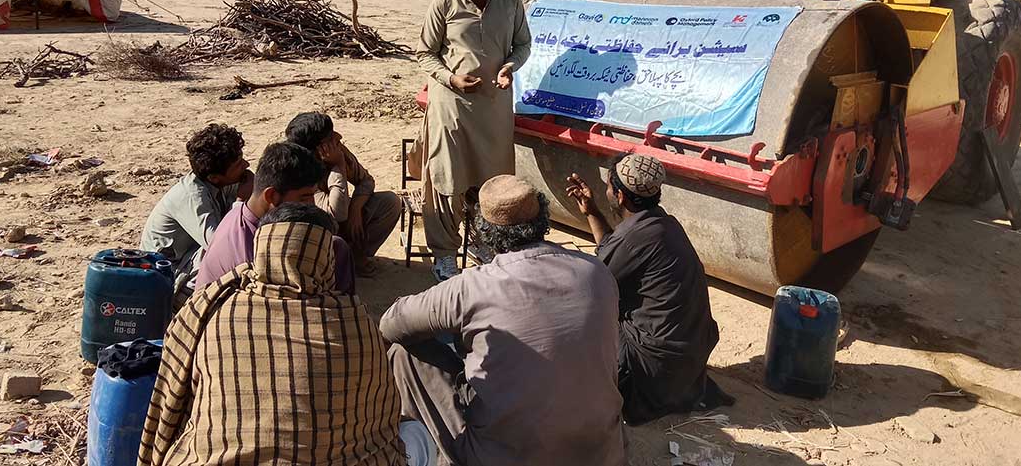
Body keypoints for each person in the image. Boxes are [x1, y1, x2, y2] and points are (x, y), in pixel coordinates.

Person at [139, 202, 435, 466]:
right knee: (416, 435)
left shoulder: (216, 310)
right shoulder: (354, 322)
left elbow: (176, 401)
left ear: (265, 249)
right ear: (325, 256)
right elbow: (379, 420)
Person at [381, 175, 625, 466]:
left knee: (404, 352)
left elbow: (390, 324)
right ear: (543, 218)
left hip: (509, 457)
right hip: (602, 453)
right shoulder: (595, 271)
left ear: (485, 231)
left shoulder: (472, 286)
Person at [566, 153, 732, 425]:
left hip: (656, 365)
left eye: (608, 186)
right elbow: (612, 254)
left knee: (580, 315)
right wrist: (592, 212)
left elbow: (594, 283)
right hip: (686, 360)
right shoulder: (663, 224)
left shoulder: (635, 238)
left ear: (619, 196)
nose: (606, 191)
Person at [416, 0, 532, 281]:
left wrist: (510, 67)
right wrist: (451, 79)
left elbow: (523, 44)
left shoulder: (510, 0)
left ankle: (483, 243)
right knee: (446, 179)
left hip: (494, 110)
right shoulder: (444, 3)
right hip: (451, 108)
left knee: (492, 182)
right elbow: (424, 52)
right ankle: (445, 254)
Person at [195, 141, 356, 294]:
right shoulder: (250, 255)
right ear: (271, 196)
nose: (311, 205)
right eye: (304, 197)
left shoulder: (246, 215)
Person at [139, 123, 254, 301]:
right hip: (166, 277)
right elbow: (220, 247)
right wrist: (240, 202)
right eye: (239, 164)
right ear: (214, 177)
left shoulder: (220, 182)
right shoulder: (193, 197)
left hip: (185, 261)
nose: (246, 165)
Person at [285, 112, 401, 276]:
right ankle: (334, 264)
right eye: (330, 138)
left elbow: (366, 181)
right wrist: (338, 165)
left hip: (339, 214)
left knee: (390, 202)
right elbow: (336, 213)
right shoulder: (300, 168)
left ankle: (354, 257)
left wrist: (356, 210)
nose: (339, 137)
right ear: (318, 148)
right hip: (314, 228)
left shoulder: (337, 149)